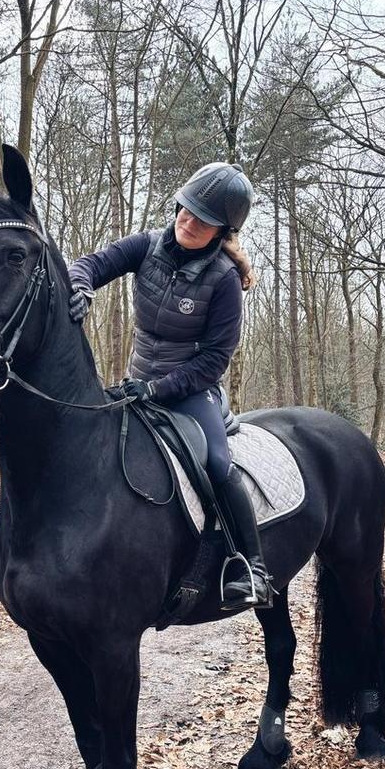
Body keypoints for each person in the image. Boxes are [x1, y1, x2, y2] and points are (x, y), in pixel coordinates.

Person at [67, 162, 272, 608]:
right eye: (186, 209)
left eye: (203, 219)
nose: (189, 220)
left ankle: (251, 568)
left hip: (191, 392)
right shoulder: (145, 247)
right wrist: (80, 287)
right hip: (135, 383)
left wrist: (160, 389)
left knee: (218, 465)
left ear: (222, 231)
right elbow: (90, 264)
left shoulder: (223, 280)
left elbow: (215, 359)